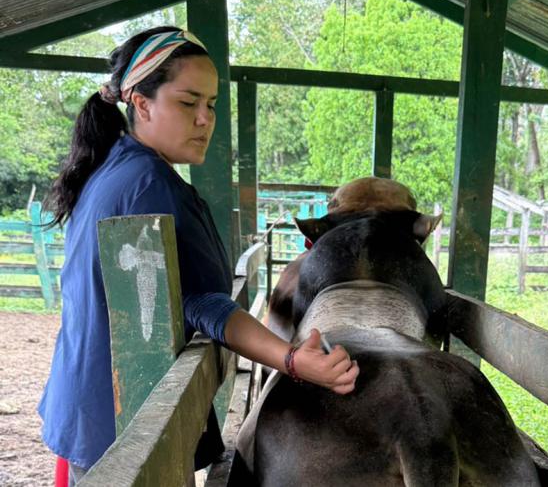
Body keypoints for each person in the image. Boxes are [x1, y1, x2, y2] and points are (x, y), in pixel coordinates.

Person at [38, 26, 359, 485]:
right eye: (189, 103)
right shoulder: (148, 185)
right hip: (121, 421)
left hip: (91, 403)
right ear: (142, 103)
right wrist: (292, 360)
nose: (205, 119)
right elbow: (202, 302)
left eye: (211, 105)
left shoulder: (116, 168)